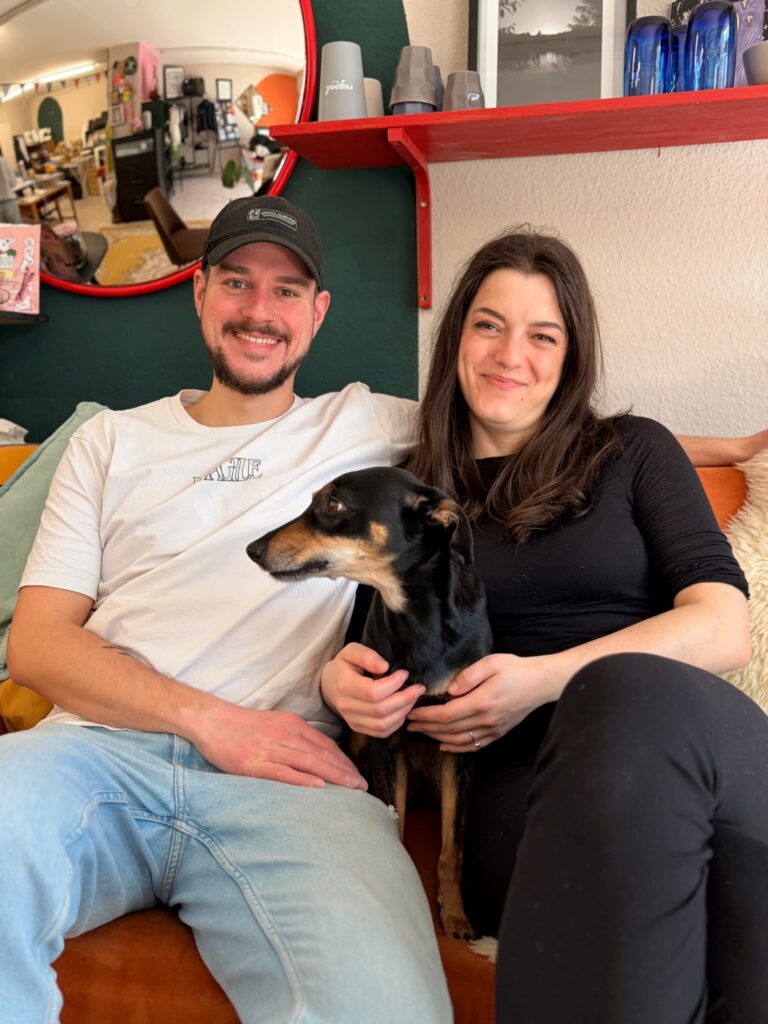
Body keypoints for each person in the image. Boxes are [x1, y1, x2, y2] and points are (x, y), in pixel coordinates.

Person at [1, 194, 452, 1024]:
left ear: (316, 315)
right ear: (200, 294)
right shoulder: (110, 443)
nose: (259, 311)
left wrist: (728, 448)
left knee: (381, 1006)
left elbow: (544, 432)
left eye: (287, 292)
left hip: (294, 784)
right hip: (92, 760)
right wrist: (209, 720)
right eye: (238, 282)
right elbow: (34, 647)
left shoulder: (367, 426)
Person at [320, 228, 768, 1023]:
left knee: (625, 693)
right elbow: (367, 646)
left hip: (685, 744)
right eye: (488, 324)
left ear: (571, 357)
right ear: (458, 335)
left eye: (543, 334)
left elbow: (725, 627)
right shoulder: (411, 498)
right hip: (521, 793)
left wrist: (542, 679)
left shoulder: (634, 451)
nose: (509, 354)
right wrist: (339, 682)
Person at [0, 145, 22, 224]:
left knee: (3, 235)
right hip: (8, 202)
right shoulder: (2, 161)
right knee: (17, 231)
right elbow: (13, 183)